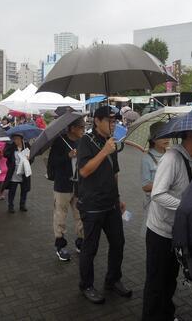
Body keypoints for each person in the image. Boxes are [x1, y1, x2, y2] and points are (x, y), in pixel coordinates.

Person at [142, 130, 192, 321]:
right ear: (191, 135)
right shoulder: (172, 158)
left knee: (169, 279)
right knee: (156, 282)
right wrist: (186, 207)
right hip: (160, 233)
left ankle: (165, 314)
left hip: (178, 232)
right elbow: (157, 194)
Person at [77, 106, 131, 304]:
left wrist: (117, 198)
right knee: (90, 248)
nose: (113, 124)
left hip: (111, 204)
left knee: (118, 242)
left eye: (115, 121)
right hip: (92, 205)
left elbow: (114, 173)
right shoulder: (86, 141)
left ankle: (113, 279)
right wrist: (104, 152)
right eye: (109, 120)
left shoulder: (112, 143)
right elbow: (84, 171)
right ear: (97, 121)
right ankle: (86, 285)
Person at [49, 117, 85, 261]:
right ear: (72, 128)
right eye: (81, 127)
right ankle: (60, 245)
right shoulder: (60, 141)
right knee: (60, 216)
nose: (83, 130)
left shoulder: (82, 141)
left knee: (80, 215)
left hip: (78, 185)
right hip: (62, 185)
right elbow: (52, 163)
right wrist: (67, 156)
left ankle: (81, 242)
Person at [140, 122, 169, 236]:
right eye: (162, 136)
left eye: (167, 134)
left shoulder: (172, 154)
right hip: (154, 205)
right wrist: (166, 183)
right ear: (154, 139)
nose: (166, 138)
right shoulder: (147, 159)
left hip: (169, 203)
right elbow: (145, 186)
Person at [2, 133, 31, 213]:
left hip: (24, 173)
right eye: (14, 139)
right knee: (12, 191)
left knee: (24, 190)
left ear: (21, 139)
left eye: (17, 139)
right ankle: (10, 206)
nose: (16, 140)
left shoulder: (26, 145)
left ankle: (22, 205)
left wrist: (29, 158)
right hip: (14, 173)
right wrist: (10, 149)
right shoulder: (11, 146)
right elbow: (5, 154)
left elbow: (32, 157)